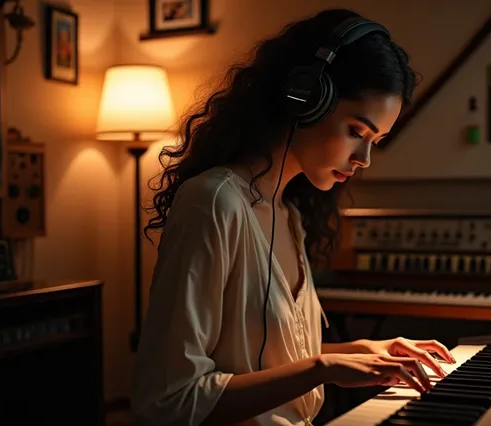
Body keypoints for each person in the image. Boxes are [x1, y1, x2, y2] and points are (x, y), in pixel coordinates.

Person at [131, 8, 456, 426]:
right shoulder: (213, 202)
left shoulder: (289, 214)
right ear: (304, 98)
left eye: (376, 140)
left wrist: (360, 350)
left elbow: (263, 361)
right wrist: (321, 369)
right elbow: (170, 400)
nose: (365, 159)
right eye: (357, 132)